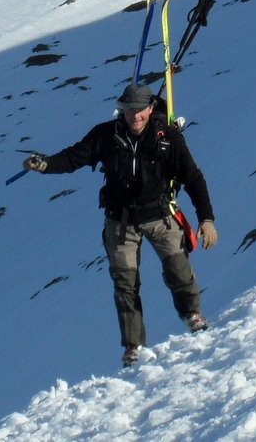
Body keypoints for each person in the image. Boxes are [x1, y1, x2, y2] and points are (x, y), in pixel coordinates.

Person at [21, 82, 218, 366]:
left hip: (160, 215)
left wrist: (206, 218)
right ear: (121, 110)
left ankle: (192, 314)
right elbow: (74, 156)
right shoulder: (106, 135)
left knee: (178, 267)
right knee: (125, 283)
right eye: (128, 110)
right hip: (120, 221)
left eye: (140, 109)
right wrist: (45, 164)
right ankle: (133, 344)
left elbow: (193, 178)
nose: (135, 116)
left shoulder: (168, 137)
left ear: (150, 109)